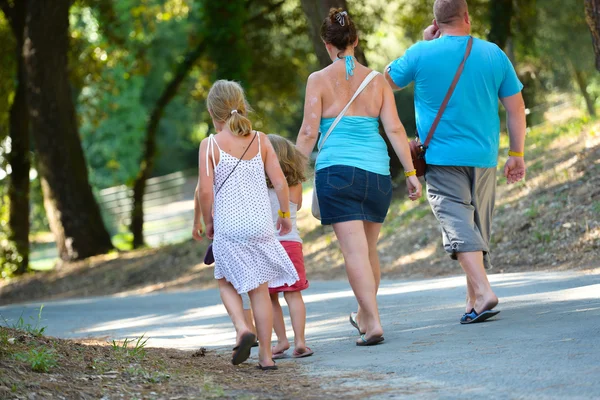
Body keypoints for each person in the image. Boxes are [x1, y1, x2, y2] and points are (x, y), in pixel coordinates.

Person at [384, 0, 527, 323]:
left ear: (436, 22)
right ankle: (474, 300)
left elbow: (386, 81)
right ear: (467, 17)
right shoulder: (493, 54)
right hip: (484, 157)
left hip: (442, 158)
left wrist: (423, 42)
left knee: (458, 224)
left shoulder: (422, 52)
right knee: (475, 226)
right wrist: (516, 154)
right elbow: (516, 109)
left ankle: (484, 292)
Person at [296, 8, 422, 346]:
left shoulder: (318, 80)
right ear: (356, 40)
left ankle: (374, 321)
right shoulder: (377, 81)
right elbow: (394, 128)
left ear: (327, 43)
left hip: (337, 173)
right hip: (377, 174)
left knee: (354, 254)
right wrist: (410, 172)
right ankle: (366, 317)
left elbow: (309, 133)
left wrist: (292, 174)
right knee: (368, 251)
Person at [198, 79, 299, 369]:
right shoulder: (260, 139)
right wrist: (284, 216)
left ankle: (243, 328)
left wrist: (209, 222)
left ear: (212, 111)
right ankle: (267, 357)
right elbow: (280, 182)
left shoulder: (209, 146)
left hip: (230, 226)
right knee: (260, 291)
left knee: (225, 280)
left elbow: (205, 191)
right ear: (241, 106)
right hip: (261, 225)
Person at [266, 135, 313, 359]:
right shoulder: (295, 184)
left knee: (270, 297)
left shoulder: (257, 184)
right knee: (293, 295)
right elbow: (299, 205)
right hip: (291, 242)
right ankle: (301, 342)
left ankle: (281, 341)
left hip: (265, 246)